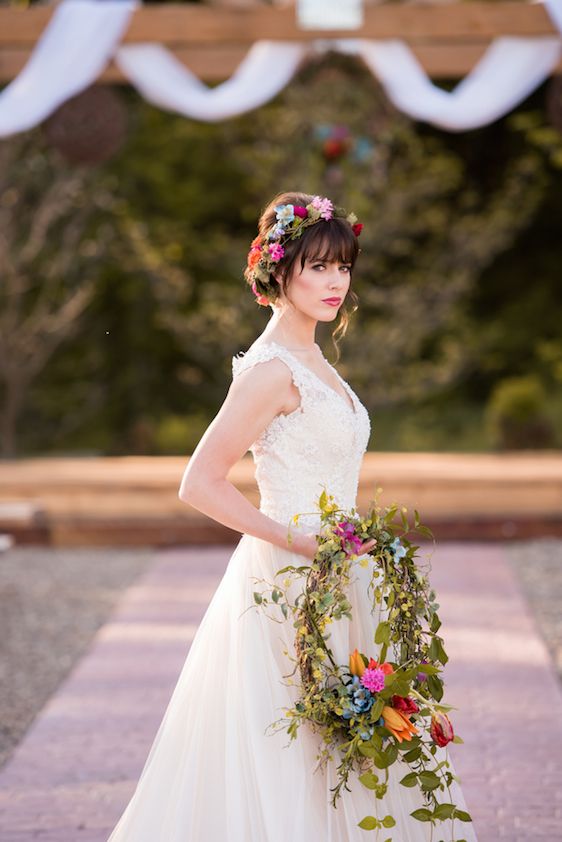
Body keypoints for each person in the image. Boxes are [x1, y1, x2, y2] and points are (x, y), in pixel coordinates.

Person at [107, 191, 478, 841]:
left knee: (356, 743)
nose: (335, 282)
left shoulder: (315, 360)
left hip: (342, 573)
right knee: (296, 743)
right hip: (289, 582)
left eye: (344, 267)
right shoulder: (270, 371)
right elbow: (199, 482)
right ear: (280, 272)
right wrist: (298, 541)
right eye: (318, 267)